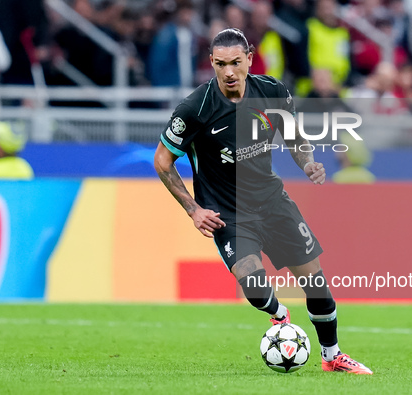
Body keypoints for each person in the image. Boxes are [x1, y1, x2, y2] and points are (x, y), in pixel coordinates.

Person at [153, 28, 372, 374]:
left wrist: (308, 163)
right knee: (254, 285)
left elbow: (295, 137)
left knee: (315, 283)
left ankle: (332, 357)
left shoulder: (273, 92)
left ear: (249, 59)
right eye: (221, 64)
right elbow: (163, 160)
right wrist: (194, 210)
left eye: (235, 63)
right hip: (229, 214)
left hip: (273, 203)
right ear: (211, 62)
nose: (228, 72)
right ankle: (280, 317)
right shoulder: (195, 108)